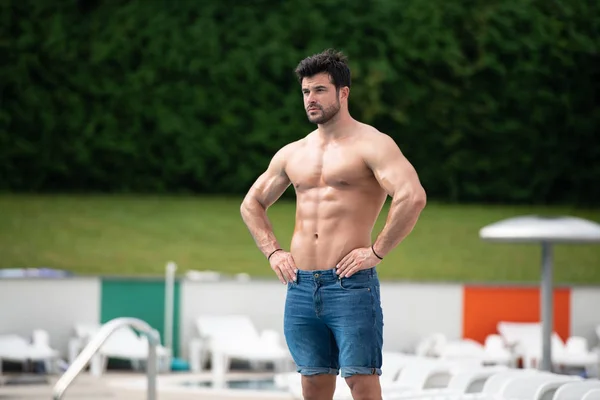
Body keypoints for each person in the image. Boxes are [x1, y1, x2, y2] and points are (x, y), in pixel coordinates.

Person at [240, 49, 427, 400]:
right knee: (312, 383)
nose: (311, 99)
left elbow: (412, 196)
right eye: (306, 92)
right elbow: (251, 203)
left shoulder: (373, 144)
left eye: (320, 90)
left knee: (361, 381)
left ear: (343, 92)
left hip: (350, 285)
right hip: (299, 286)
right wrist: (273, 252)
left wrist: (377, 251)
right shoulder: (293, 152)